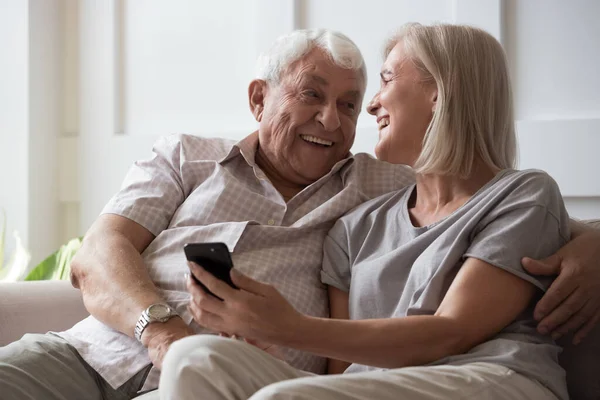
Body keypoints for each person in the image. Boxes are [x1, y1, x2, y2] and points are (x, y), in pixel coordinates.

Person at [0, 28, 597, 400]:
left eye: (352, 102)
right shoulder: (186, 157)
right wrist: (163, 334)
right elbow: (98, 254)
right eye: (311, 95)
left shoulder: (378, 184)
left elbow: (497, 200)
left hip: (231, 380)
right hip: (98, 352)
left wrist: (595, 241)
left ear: (441, 95)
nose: (336, 121)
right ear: (260, 98)